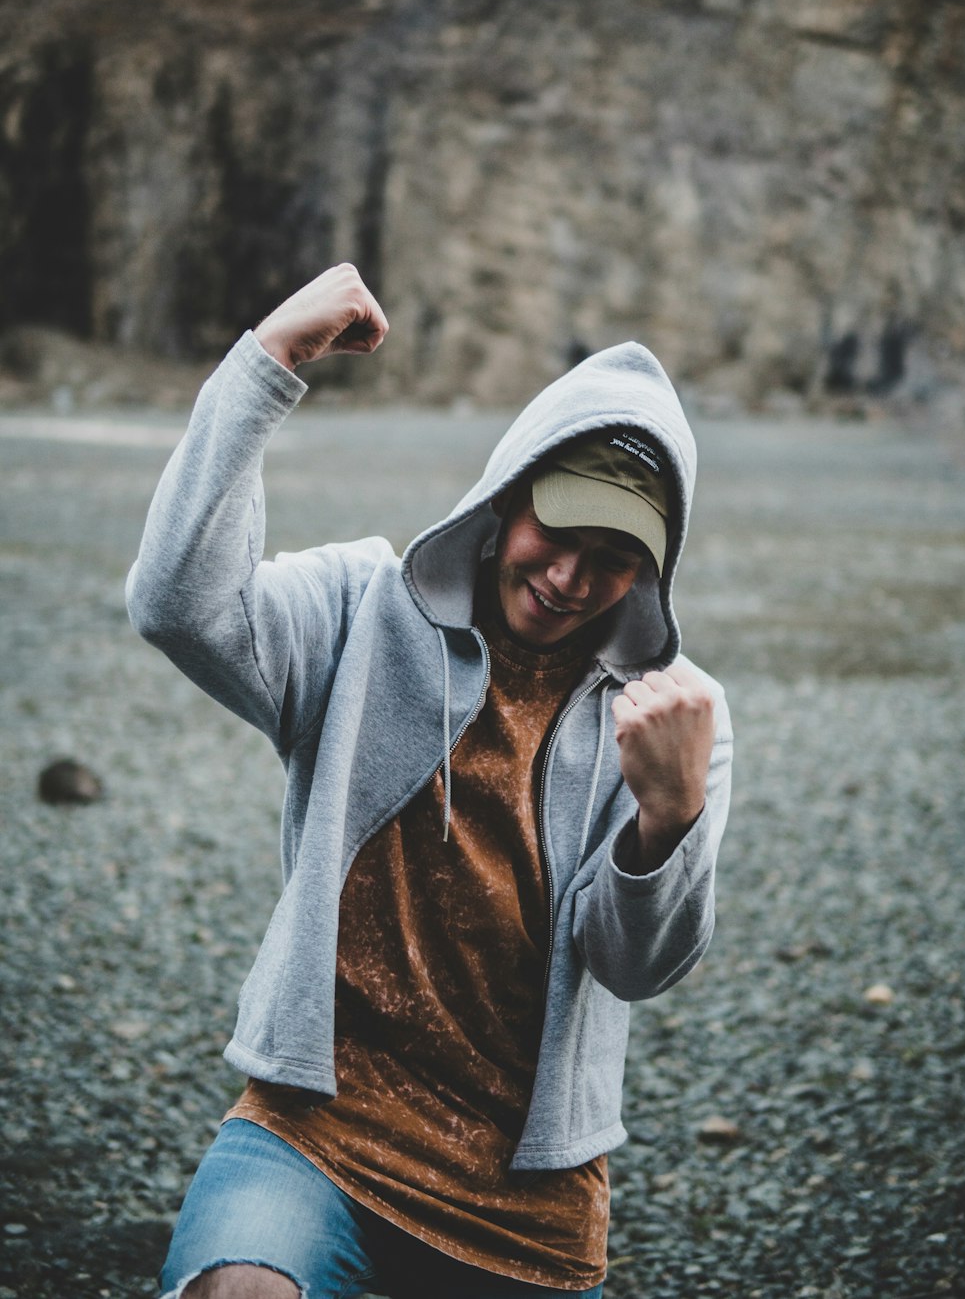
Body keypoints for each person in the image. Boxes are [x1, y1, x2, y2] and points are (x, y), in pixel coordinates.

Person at [126, 264, 733, 1299]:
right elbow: (182, 605)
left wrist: (668, 817)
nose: (570, 577)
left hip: (525, 1190)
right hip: (312, 1130)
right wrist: (266, 361)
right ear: (506, 501)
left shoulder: (676, 719)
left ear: (652, 569)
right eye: (558, 531)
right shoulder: (360, 608)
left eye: (614, 556)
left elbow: (634, 966)